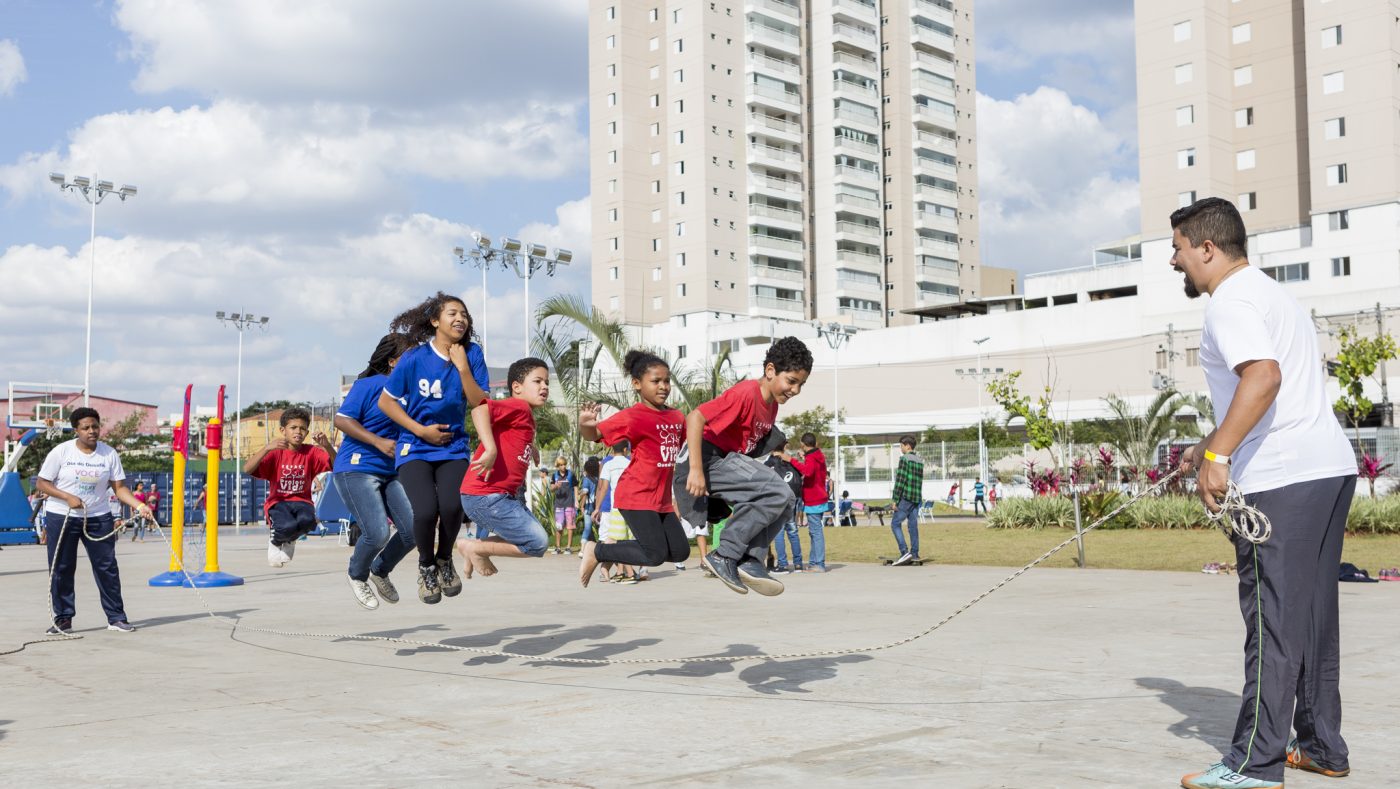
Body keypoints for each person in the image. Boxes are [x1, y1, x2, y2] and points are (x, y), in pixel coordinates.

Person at [1168, 198, 1359, 789]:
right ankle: (1322, 746)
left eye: (1178, 249)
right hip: (1326, 468)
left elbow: (1264, 377)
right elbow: (1276, 388)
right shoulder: (1275, 295)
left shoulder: (1230, 301)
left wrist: (1221, 457)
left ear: (1207, 247)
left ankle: (1255, 763)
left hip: (1280, 480)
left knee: (1272, 621)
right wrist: (1211, 443)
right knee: (1310, 618)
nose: (1175, 263)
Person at [674, 336, 812, 596]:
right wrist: (695, 469)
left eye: (801, 384)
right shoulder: (746, 393)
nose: (795, 390)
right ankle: (724, 554)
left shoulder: (770, 407)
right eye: (791, 381)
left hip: (724, 461)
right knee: (778, 491)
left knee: (785, 501)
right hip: (704, 458)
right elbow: (695, 417)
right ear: (770, 370)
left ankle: (750, 559)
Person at [378, 292, 490, 604]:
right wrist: (419, 431)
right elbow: (386, 402)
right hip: (415, 446)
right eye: (453, 313)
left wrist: (463, 367)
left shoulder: (472, 353)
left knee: (454, 507)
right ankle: (426, 566)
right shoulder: (415, 358)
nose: (460, 319)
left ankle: (444, 560)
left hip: (453, 447)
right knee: (426, 511)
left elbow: (477, 400)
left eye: (464, 314)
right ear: (435, 321)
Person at [34, 407, 152, 635]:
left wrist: (139, 505)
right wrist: (67, 496)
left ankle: (116, 617)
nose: (91, 431)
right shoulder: (62, 452)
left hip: (98, 516)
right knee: (62, 568)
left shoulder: (109, 454)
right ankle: (63, 618)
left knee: (107, 567)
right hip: (63, 516)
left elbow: (119, 488)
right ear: (76, 430)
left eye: (95, 426)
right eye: (86, 427)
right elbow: (42, 483)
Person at [577, 351, 689, 587]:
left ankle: (600, 550)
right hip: (636, 494)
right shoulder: (632, 416)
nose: (663, 386)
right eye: (656, 381)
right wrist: (585, 424)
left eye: (667, 381)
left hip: (661, 500)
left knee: (680, 552)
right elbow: (594, 434)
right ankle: (596, 551)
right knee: (654, 555)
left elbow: (689, 448)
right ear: (637, 384)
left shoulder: (677, 417)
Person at [333, 333, 418, 610]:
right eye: (409, 355)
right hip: (357, 468)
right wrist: (378, 441)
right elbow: (342, 419)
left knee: (414, 531)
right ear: (393, 362)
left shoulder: (411, 393)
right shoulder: (369, 385)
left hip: (392, 472)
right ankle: (357, 575)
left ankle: (380, 570)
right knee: (377, 533)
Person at [455, 358, 552, 576]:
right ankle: (474, 548)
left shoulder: (525, 415)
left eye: (546, 382)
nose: (544, 386)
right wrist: (490, 448)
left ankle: (473, 551)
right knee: (537, 542)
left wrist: (530, 446)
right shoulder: (518, 406)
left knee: (529, 540)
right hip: (486, 496)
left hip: (498, 496)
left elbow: (510, 435)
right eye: (537, 381)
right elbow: (479, 410)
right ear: (516, 387)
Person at [245, 407, 335, 567]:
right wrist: (266, 448)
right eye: (293, 428)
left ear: (307, 432)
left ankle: (291, 540)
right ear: (283, 430)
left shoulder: (312, 452)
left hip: (303, 502)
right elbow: (247, 469)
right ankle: (275, 541)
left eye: (302, 429)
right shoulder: (275, 452)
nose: (298, 432)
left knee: (308, 522)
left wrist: (327, 446)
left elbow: (336, 465)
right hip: (279, 502)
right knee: (287, 526)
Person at [787, 432, 830, 572]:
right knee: (814, 532)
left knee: (816, 532)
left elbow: (808, 471)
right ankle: (814, 562)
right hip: (820, 497)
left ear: (803, 444)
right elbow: (812, 467)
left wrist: (791, 460)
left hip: (814, 499)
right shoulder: (818, 455)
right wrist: (804, 457)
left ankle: (819, 563)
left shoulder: (811, 457)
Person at [593, 440, 633, 582]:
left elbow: (603, 488)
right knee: (625, 539)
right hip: (631, 506)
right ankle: (622, 571)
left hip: (616, 507)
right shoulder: (630, 463)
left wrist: (597, 508)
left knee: (615, 539)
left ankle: (624, 572)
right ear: (624, 449)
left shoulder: (607, 464)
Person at [765, 440, 803, 574]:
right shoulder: (790, 460)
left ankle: (783, 565)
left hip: (778, 499)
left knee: (779, 532)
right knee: (793, 530)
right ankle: (798, 564)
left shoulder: (769, 463)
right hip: (793, 497)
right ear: (784, 447)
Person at [889, 435, 924, 565]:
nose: (900, 448)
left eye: (901, 446)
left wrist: (895, 500)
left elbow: (901, 480)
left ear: (908, 445)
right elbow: (919, 481)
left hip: (906, 498)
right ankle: (915, 553)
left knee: (895, 524)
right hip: (916, 498)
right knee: (912, 525)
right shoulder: (920, 460)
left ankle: (904, 552)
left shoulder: (904, 459)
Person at [549, 457, 579, 555]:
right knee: (559, 527)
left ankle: (568, 548)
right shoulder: (554, 475)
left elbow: (575, 486)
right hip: (559, 505)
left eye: (564, 464)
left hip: (569, 504)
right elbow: (551, 488)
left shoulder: (571, 474)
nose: (563, 466)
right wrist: (555, 486)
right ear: (557, 466)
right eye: (561, 465)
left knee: (570, 526)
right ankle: (558, 548)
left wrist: (576, 500)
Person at [579, 456, 600, 545]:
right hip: (598, 506)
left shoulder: (586, 479)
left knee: (587, 528)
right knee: (600, 527)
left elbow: (584, 493)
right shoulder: (600, 478)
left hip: (589, 507)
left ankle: (583, 548)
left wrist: (581, 506)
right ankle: (600, 545)